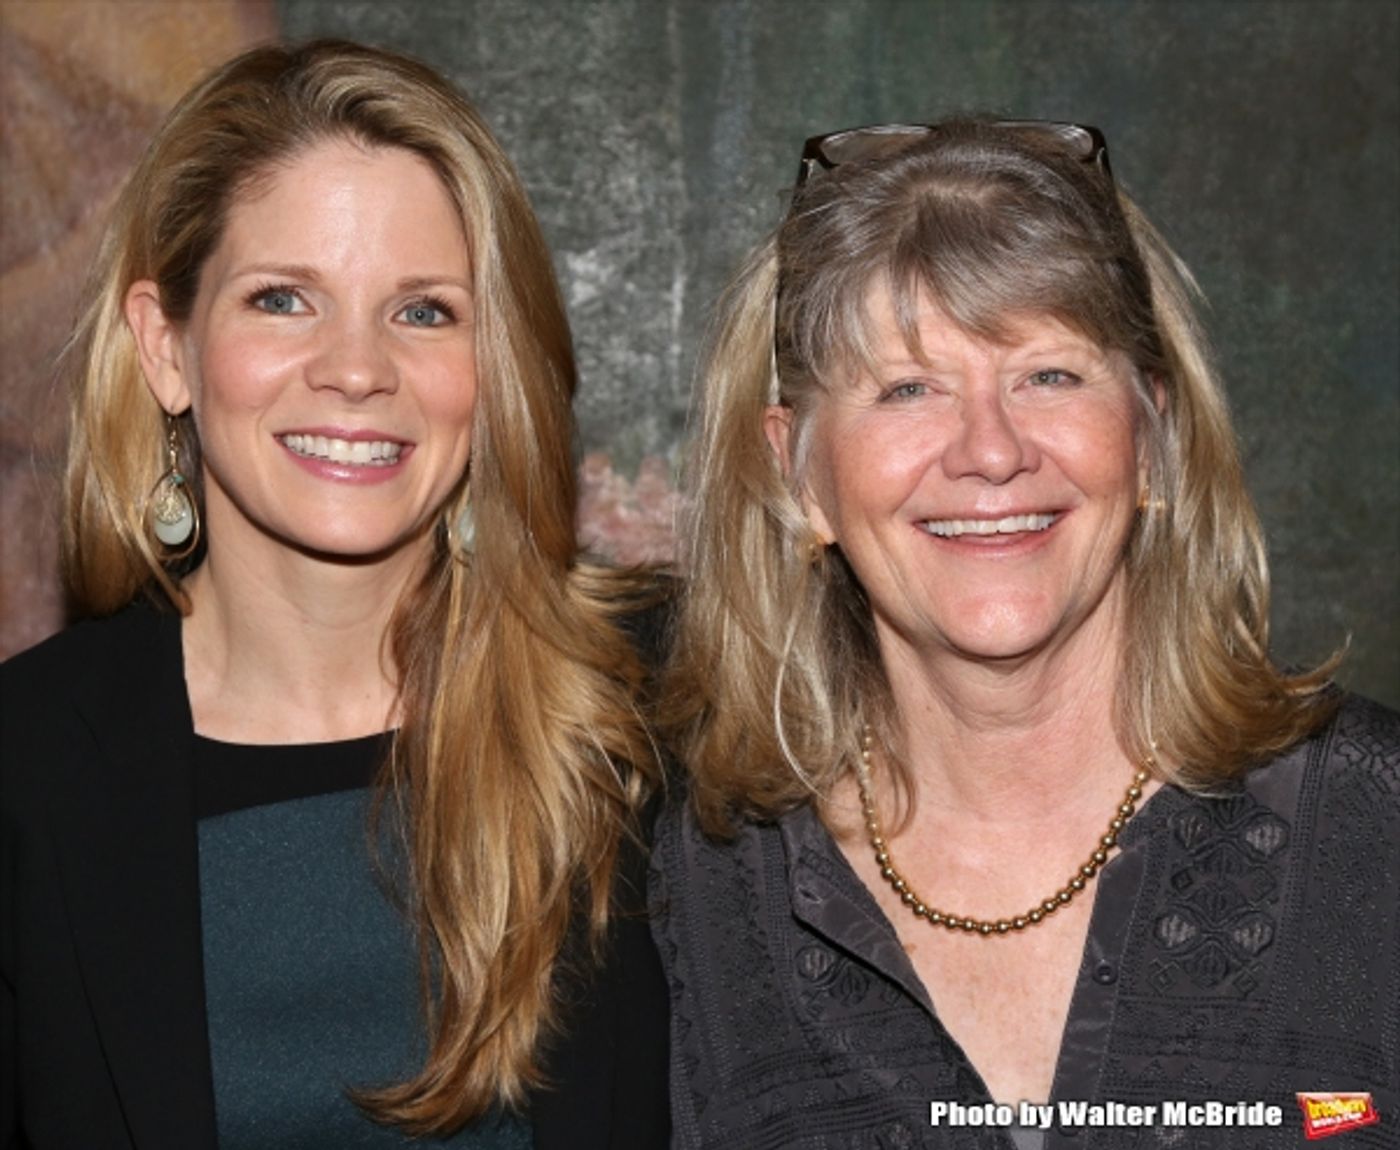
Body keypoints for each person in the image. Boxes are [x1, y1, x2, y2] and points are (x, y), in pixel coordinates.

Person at [652, 118, 1398, 1149]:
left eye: (1048, 375)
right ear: (797, 473)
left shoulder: (1376, 829)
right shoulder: (699, 882)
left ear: (1152, 437)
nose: (991, 451)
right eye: (907, 388)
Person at [0, 40, 667, 1149]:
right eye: (282, 299)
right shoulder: (27, 764)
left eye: (424, 311)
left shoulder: (656, 716)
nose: (356, 369)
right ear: (166, 348)